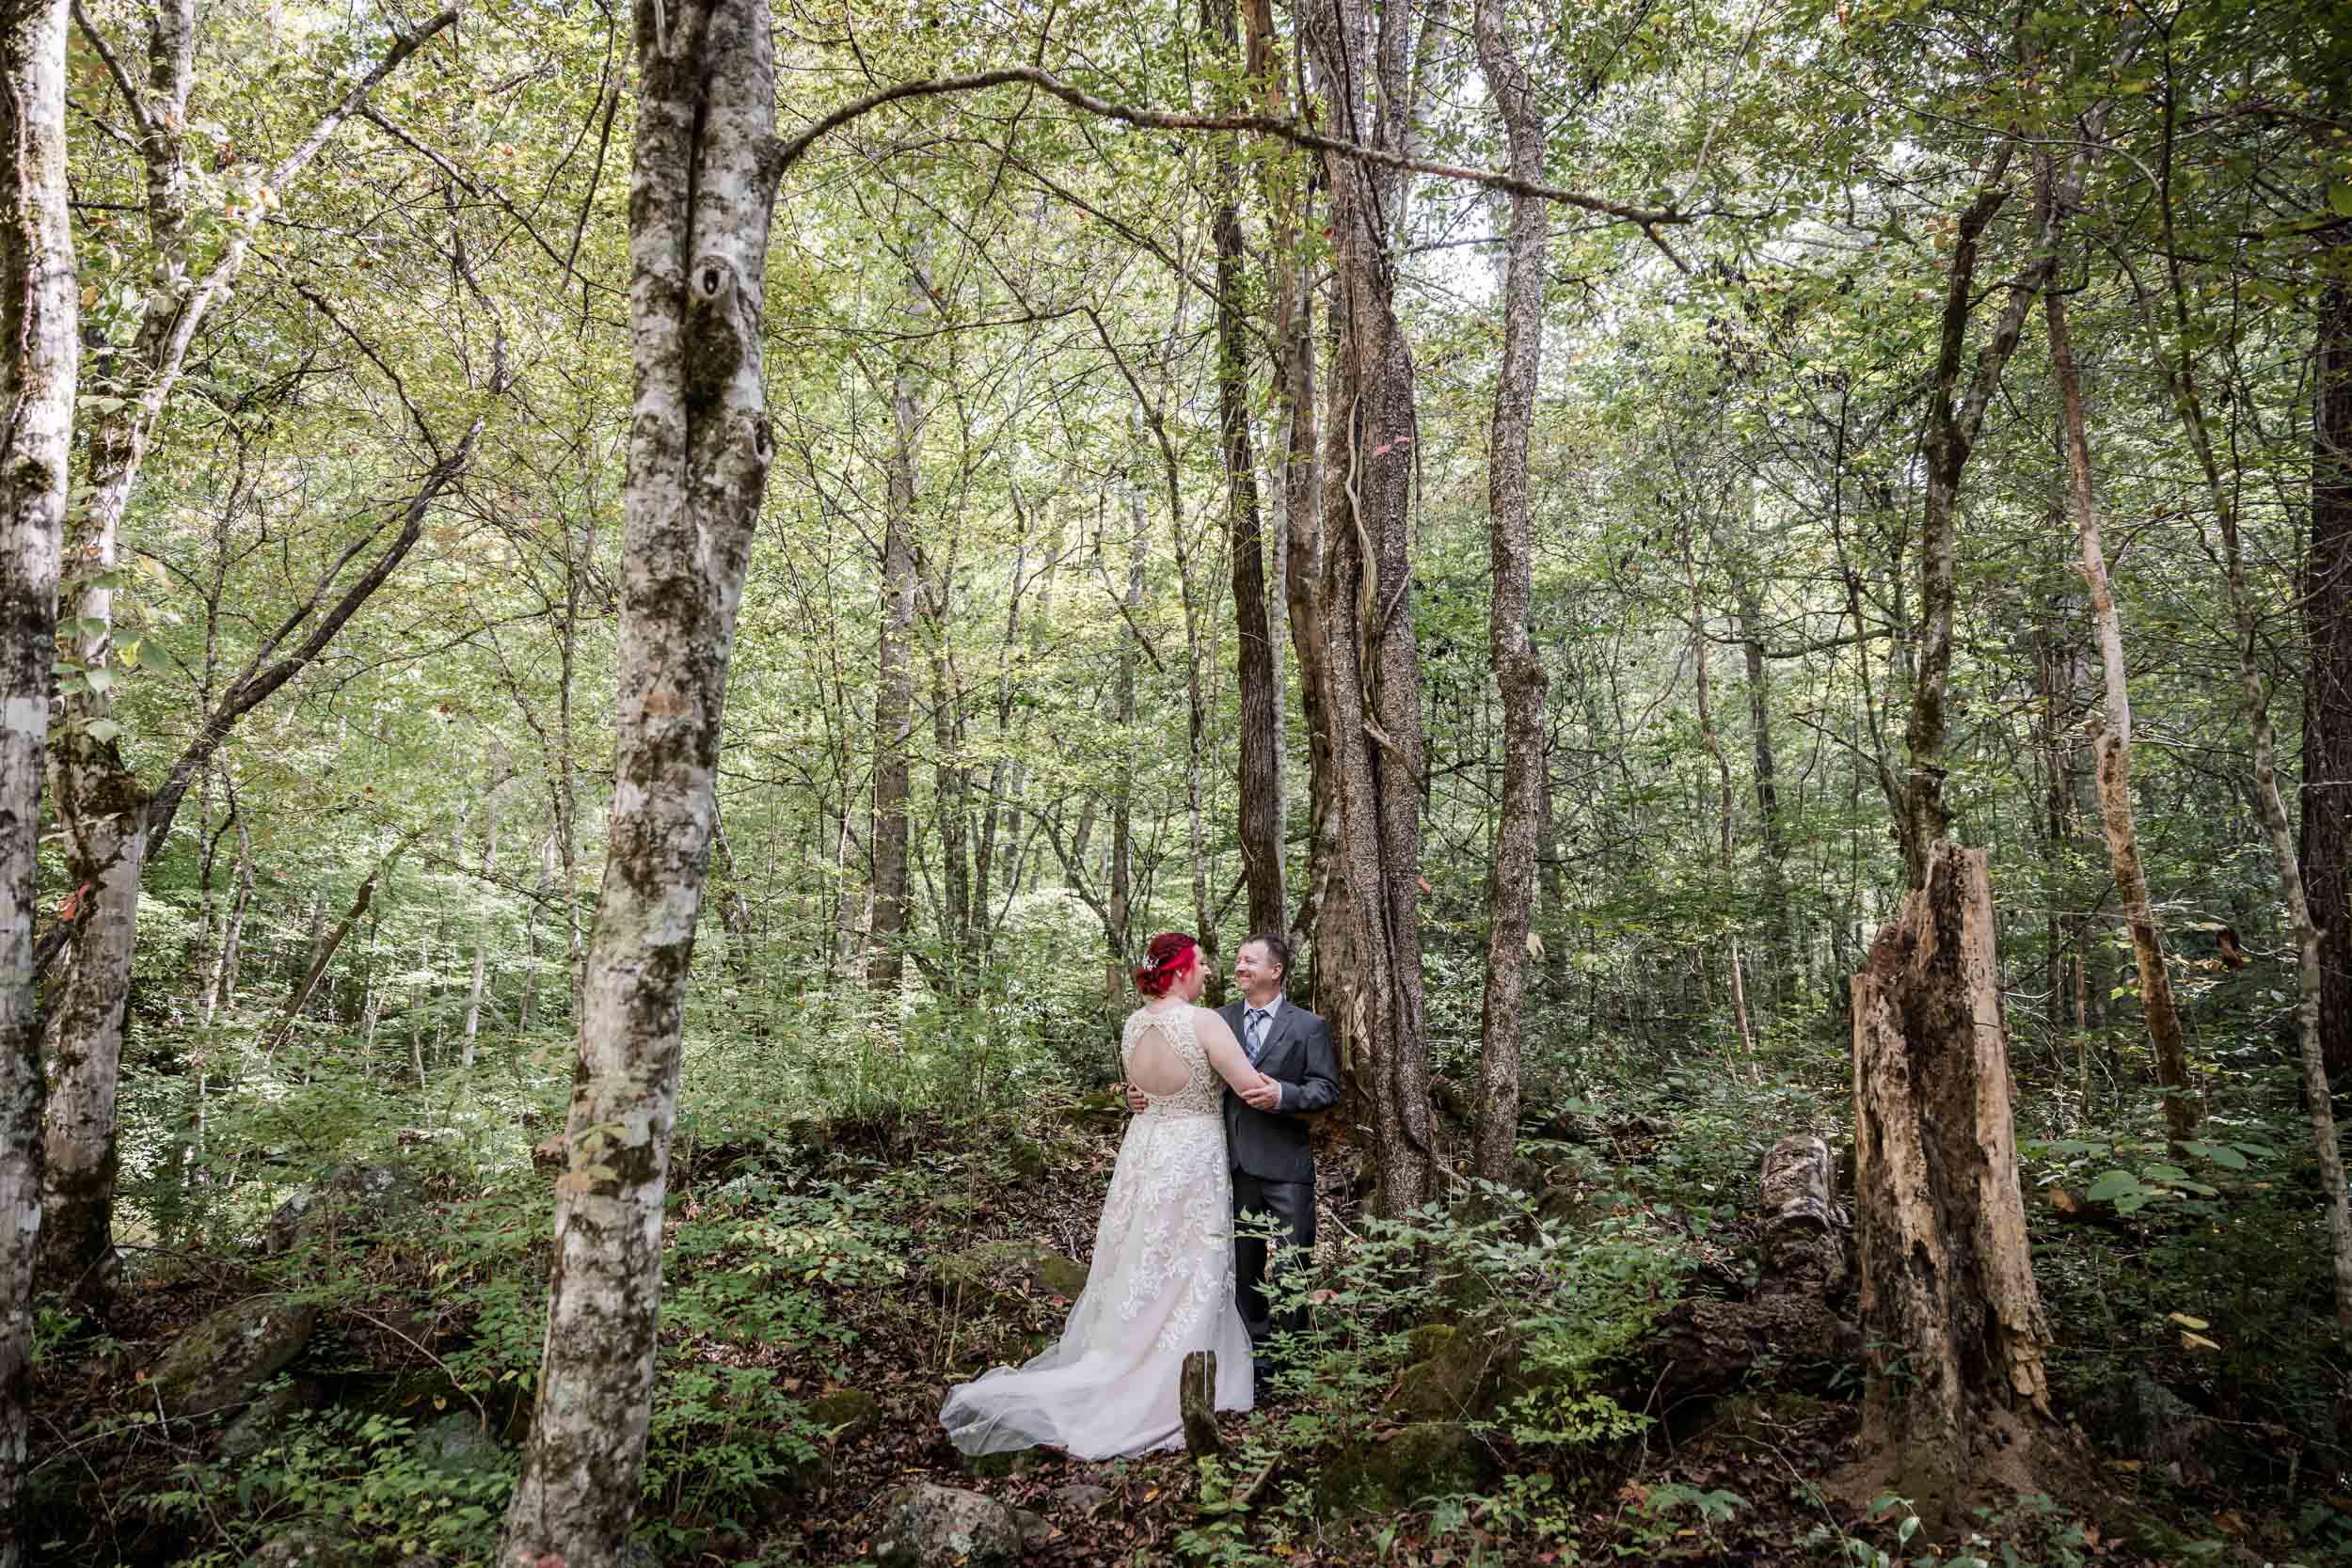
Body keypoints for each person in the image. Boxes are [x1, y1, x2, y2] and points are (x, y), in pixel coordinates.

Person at [939, 932, 1270, 1457]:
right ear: (1182, 969)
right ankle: (1174, 1380)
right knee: (1189, 1262)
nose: (1209, 972)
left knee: (1140, 1257)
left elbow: (1142, 1091)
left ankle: (1126, 1351)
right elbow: (1251, 1085)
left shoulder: (1134, 1024)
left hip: (1144, 1150)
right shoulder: (1205, 1023)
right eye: (1202, 963)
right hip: (1191, 1155)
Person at [1216, 932, 1336, 1361]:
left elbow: (1325, 1090)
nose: (1239, 967)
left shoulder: (1309, 1027)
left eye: (1249, 960)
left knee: (1293, 1264)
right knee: (1244, 1265)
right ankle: (1253, 1356)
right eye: (1238, 960)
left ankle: (1290, 1358)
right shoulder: (1218, 1020)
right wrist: (1135, 1094)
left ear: (1276, 971)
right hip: (1236, 1164)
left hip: (1288, 1166)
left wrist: (1283, 1096)